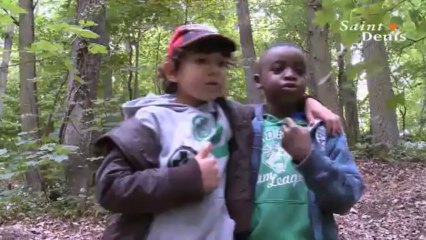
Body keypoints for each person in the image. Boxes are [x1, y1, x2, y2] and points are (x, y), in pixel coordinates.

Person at [94, 24, 342, 240]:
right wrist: (188, 179)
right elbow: (111, 189)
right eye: (201, 61)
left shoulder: (232, 116)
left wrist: (308, 102)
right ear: (172, 72)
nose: (214, 70)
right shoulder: (148, 121)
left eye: (222, 63)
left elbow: (276, 104)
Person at [247, 42, 365, 240]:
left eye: (299, 71)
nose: (290, 74)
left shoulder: (325, 129)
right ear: (259, 80)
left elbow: (346, 198)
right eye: (278, 69)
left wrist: (309, 157)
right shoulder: (244, 128)